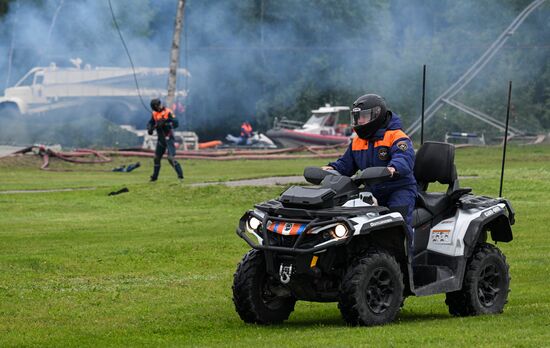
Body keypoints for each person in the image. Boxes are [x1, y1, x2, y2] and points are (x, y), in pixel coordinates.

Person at [322, 94, 417, 241]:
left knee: (399, 223)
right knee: (351, 219)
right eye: (357, 117)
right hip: (372, 190)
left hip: (399, 188)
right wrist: (331, 169)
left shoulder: (397, 136)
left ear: (377, 115)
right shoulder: (357, 141)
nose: (359, 121)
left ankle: (407, 261)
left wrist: (393, 168)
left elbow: (404, 158)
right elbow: (346, 165)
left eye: (363, 117)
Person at [147, 98, 184, 182]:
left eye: (158, 105)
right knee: (156, 158)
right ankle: (154, 178)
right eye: (156, 106)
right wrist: (149, 128)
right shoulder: (154, 113)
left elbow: (176, 123)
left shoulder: (168, 111)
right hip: (160, 139)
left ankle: (180, 176)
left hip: (168, 138)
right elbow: (151, 122)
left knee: (170, 158)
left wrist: (166, 123)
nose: (158, 107)